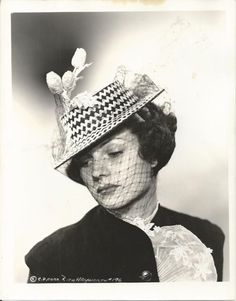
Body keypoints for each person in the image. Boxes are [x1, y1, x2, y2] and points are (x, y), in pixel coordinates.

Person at [25, 49, 225, 283]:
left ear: (152, 153)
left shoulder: (207, 236)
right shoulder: (50, 257)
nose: (97, 172)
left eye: (114, 153)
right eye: (86, 161)